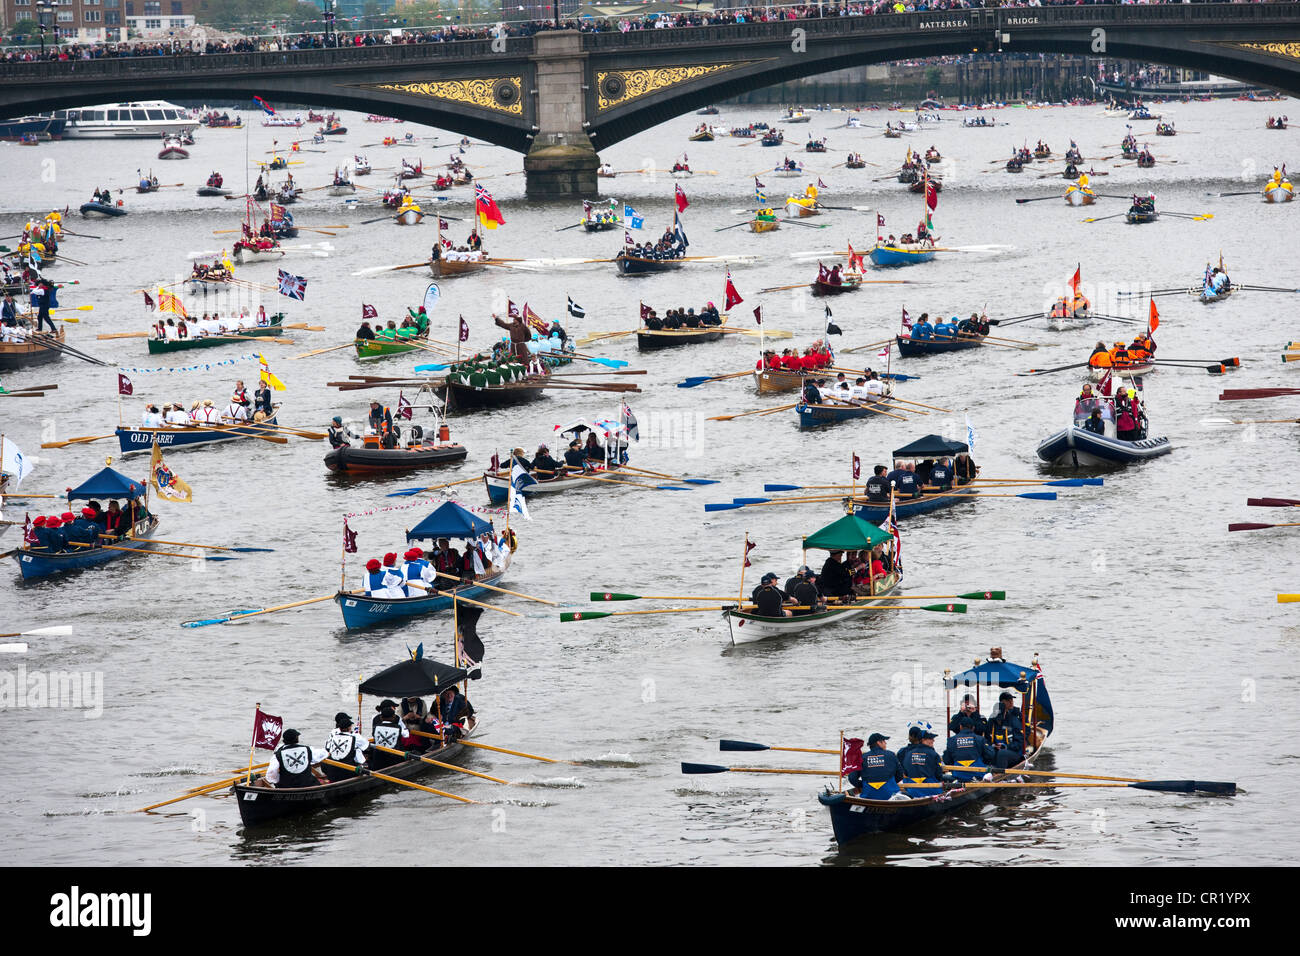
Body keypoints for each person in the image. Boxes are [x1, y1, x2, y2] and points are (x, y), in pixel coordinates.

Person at [943, 716, 998, 781]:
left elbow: (947, 759)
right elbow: (990, 755)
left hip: (959, 775)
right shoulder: (980, 739)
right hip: (978, 774)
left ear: (960, 727)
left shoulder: (951, 740)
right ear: (973, 728)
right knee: (993, 767)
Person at [849, 733, 902, 798]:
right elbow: (900, 774)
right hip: (890, 795)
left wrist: (863, 784)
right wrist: (890, 782)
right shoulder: (891, 755)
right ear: (879, 743)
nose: (886, 743)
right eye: (884, 741)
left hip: (868, 796)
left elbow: (852, 778)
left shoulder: (862, 758)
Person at [322, 713, 369, 782]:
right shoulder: (353, 738)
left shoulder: (333, 737)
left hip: (331, 771)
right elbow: (362, 758)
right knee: (365, 764)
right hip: (347, 773)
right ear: (349, 728)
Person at [987, 691, 1025, 769]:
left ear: (1005, 713)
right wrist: (993, 746)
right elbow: (986, 739)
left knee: (1002, 753)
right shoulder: (991, 721)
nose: (999, 721)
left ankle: (999, 776)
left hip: (1014, 753)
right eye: (997, 719)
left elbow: (1019, 742)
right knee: (987, 752)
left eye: (1000, 719)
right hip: (996, 751)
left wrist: (1005, 746)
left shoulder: (1014, 721)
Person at [369, 700, 407, 770]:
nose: (395, 709)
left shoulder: (375, 718)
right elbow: (406, 734)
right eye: (393, 707)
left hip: (378, 752)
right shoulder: (396, 718)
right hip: (394, 754)